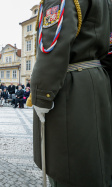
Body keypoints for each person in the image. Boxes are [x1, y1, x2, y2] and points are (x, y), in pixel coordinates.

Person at [31, 0, 112, 186]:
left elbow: (53, 44)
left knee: (67, 168)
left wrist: (41, 94)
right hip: (97, 78)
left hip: (71, 85)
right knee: (97, 161)